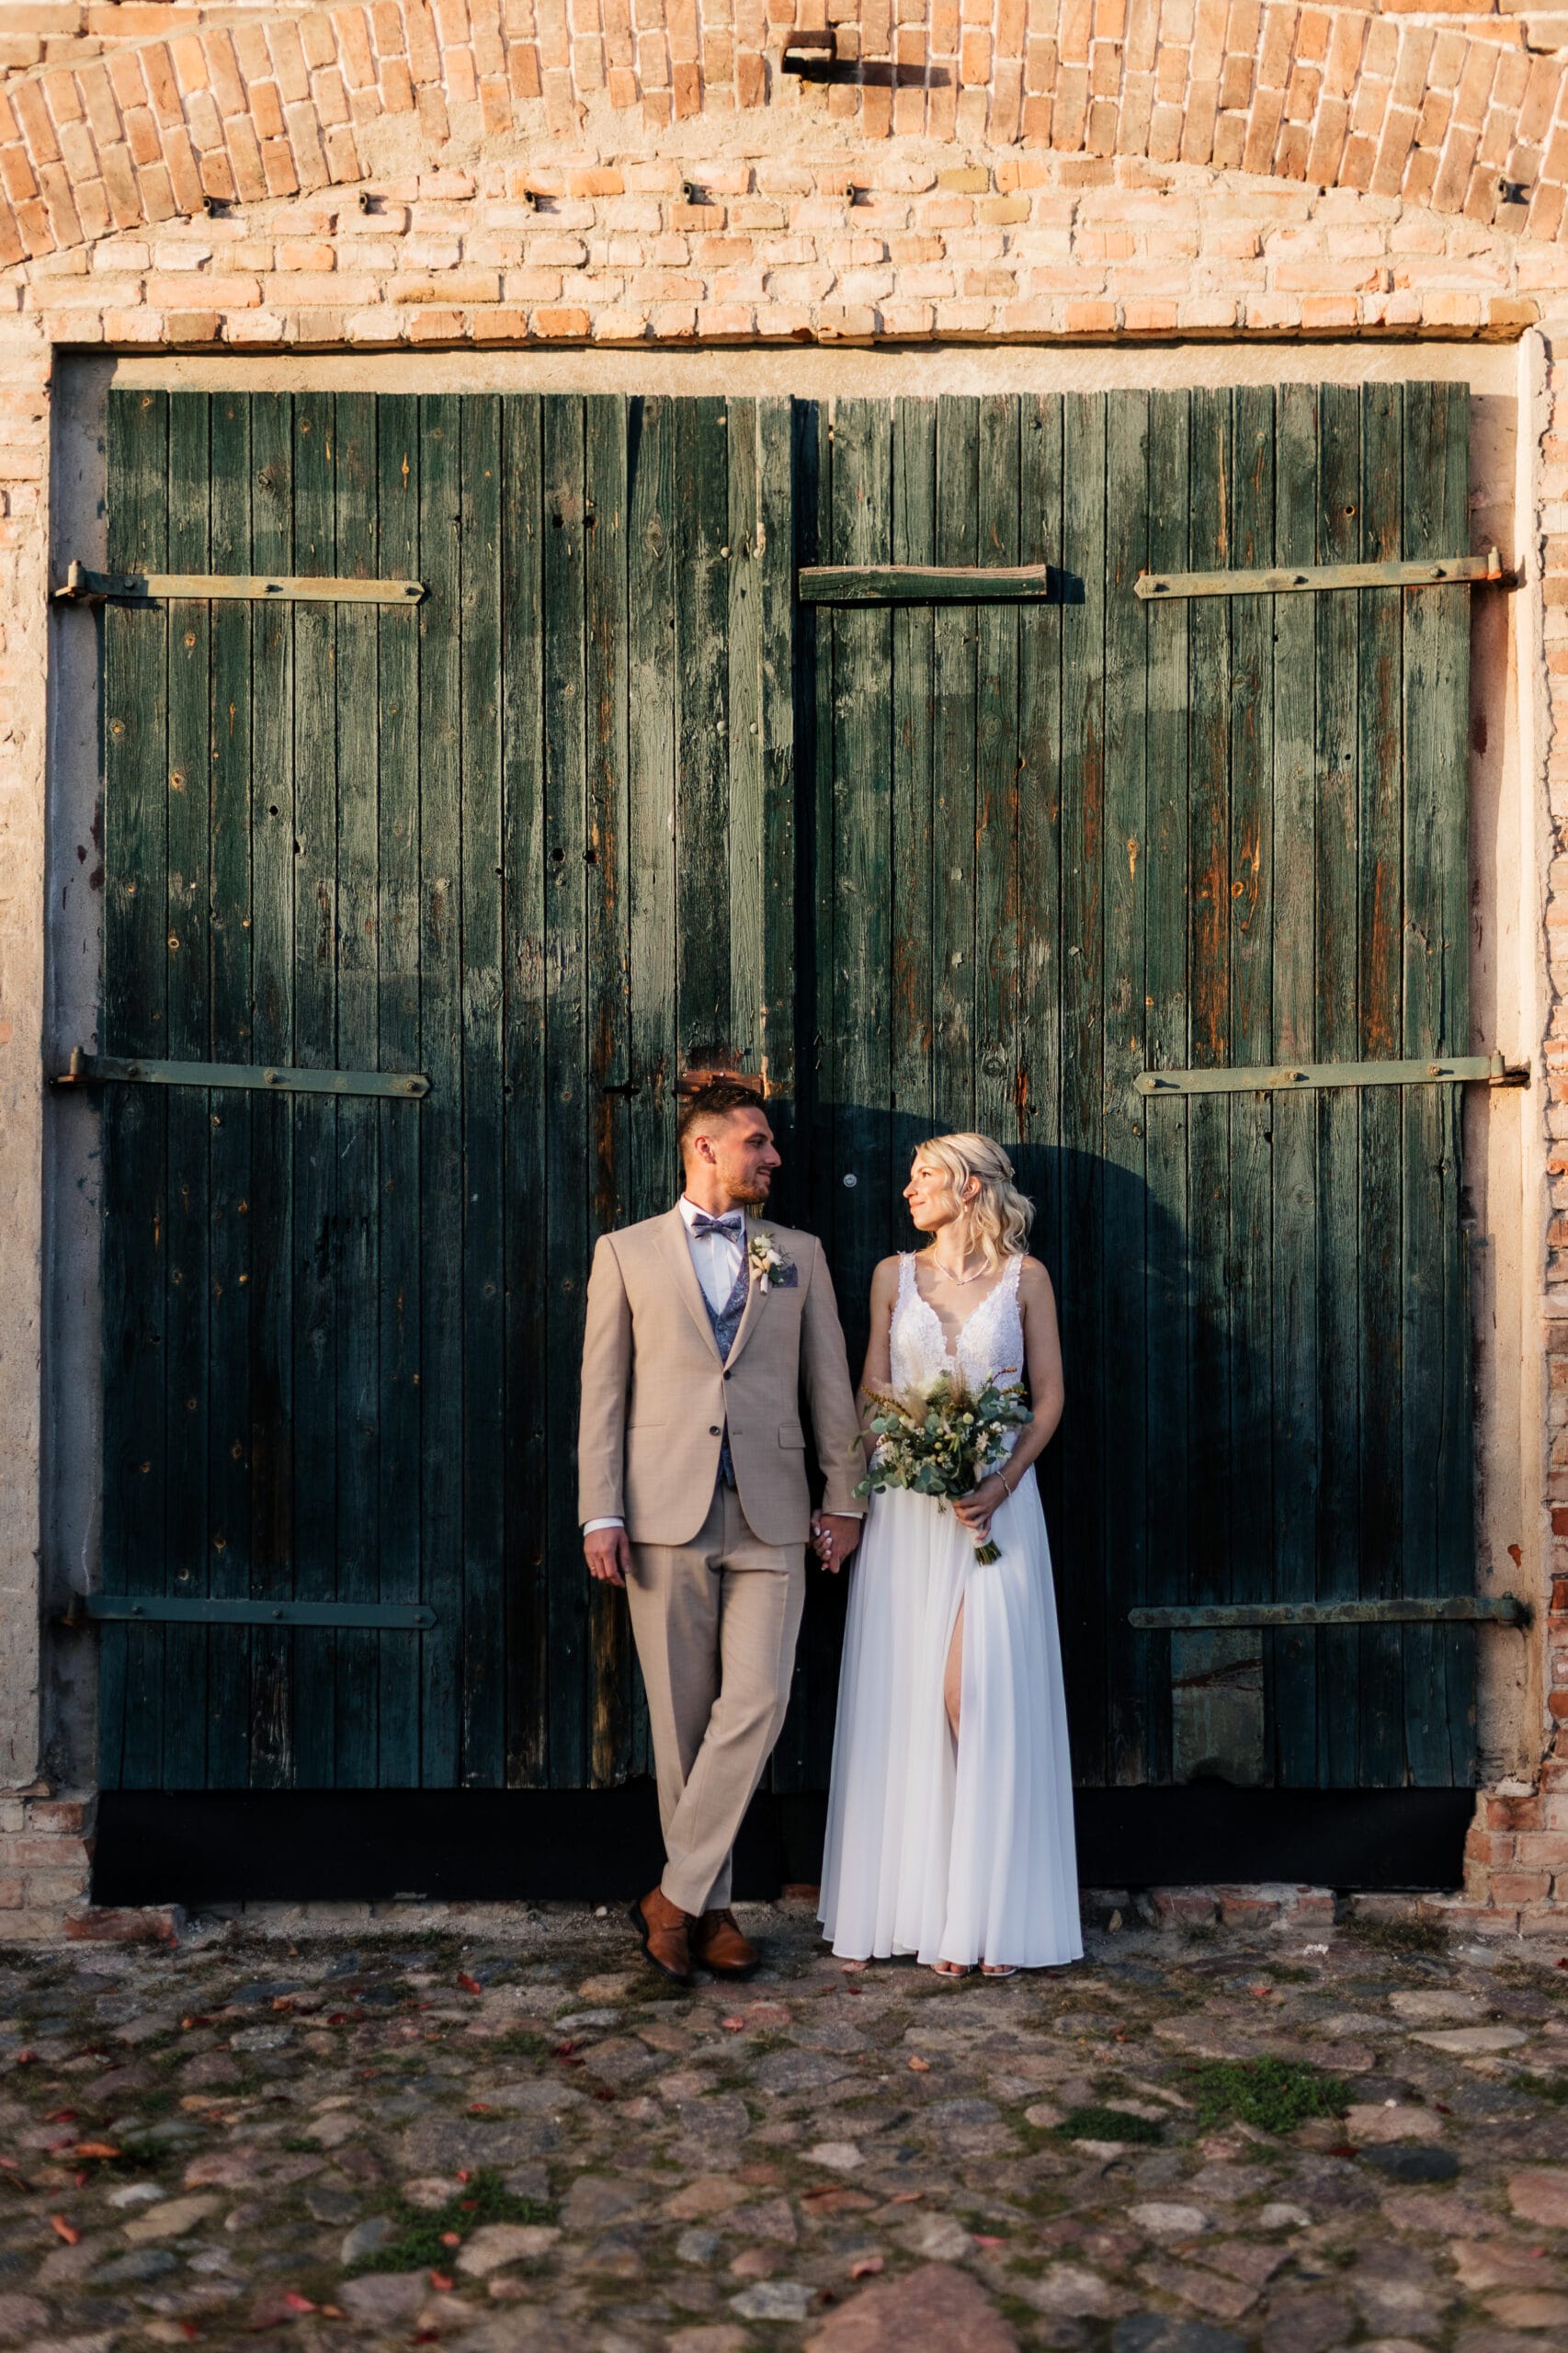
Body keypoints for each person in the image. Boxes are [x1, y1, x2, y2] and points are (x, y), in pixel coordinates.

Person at [578, 1080, 864, 1986]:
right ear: (704, 1147)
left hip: (774, 1512)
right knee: (681, 1725)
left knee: (757, 1703)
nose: (772, 1157)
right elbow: (603, 1392)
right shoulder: (625, 1252)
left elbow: (829, 1383)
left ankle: (671, 1899)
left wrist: (845, 1496)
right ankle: (714, 1910)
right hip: (663, 1514)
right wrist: (601, 1509)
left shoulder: (796, 1253)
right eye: (757, 1142)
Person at [818, 1132, 1081, 1976]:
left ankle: (990, 1915)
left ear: (969, 1187)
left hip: (995, 1512)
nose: (908, 1189)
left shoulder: (1026, 1280)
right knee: (911, 1707)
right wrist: (859, 1492)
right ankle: (925, 1912)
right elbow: (871, 1391)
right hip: (909, 1508)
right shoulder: (892, 1277)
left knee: (976, 1697)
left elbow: (1049, 1399)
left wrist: (1000, 1482)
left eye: (923, 1175)